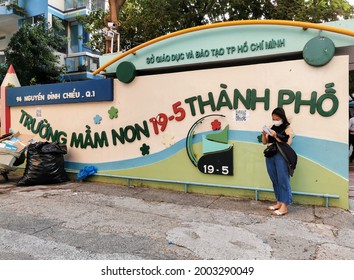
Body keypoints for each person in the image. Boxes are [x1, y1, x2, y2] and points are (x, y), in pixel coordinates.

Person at [262, 107, 294, 216]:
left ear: (282, 118)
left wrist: (276, 136)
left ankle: (284, 206)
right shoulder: (271, 127)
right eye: (273, 119)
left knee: (283, 180)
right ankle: (278, 202)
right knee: (274, 179)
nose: (275, 121)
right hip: (270, 154)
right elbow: (264, 142)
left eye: (277, 118)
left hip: (281, 155)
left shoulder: (287, 129)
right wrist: (263, 134)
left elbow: (287, 144)